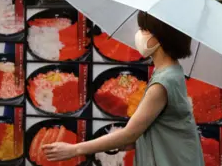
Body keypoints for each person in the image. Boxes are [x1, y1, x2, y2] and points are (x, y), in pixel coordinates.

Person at [42, 11, 205, 165]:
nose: (139, 34)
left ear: (161, 38)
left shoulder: (162, 84)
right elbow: (163, 124)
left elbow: (129, 133)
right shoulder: (170, 70)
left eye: (144, 30)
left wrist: (75, 149)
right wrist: (139, 141)